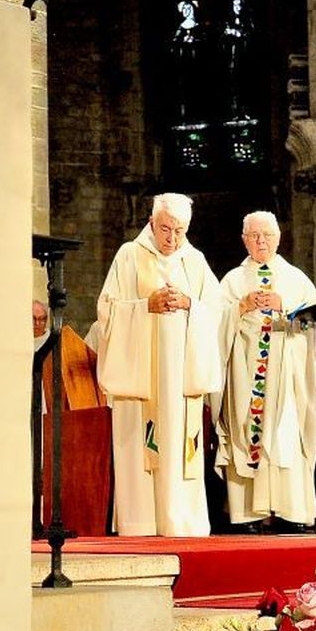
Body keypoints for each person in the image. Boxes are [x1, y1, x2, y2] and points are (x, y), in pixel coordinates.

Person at [95, 193, 224, 536]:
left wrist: (189, 304)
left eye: (179, 231)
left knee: (180, 444)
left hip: (180, 378)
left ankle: (181, 520)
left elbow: (217, 311)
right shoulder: (129, 254)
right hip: (142, 379)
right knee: (142, 444)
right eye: (165, 229)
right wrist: (144, 306)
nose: (172, 238)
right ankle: (141, 522)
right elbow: (107, 310)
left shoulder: (195, 260)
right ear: (152, 223)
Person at [216, 212, 316, 532]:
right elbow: (214, 323)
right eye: (254, 235)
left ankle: (290, 511)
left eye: (267, 235)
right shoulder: (232, 281)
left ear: (278, 238)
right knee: (247, 433)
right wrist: (241, 307)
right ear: (244, 240)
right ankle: (249, 513)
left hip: (287, 373)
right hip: (246, 372)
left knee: (286, 434)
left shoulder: (296, 279)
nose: (261, 241)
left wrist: (284, 305)